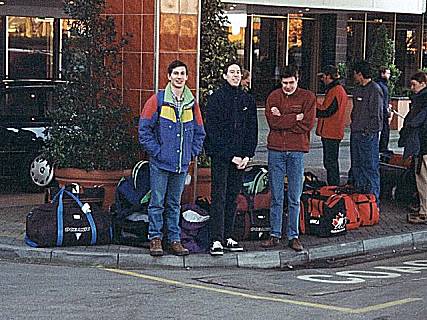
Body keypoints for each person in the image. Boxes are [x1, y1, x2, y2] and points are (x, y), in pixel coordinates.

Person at [139, 60, 206, 256]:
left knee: (174, 203)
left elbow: (200, 132)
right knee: (157, 203)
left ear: (187, 77)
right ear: (169, 76)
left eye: (182, 73)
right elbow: (144, 130)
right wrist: (157, 152)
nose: (179, 77)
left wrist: (191, 153)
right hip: (160, 163)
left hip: (181, 164)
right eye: (175, 73)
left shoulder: (192, 104)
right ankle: (155, 239)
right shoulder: (157, 100)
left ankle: (175, 240)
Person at [204, 61, 258, 256]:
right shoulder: (216, 99)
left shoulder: (247, 100)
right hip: (221, 157)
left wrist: (247, 155)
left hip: (241, 159)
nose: (235, 75)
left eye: (238, 72)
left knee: (233, 197)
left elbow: (252, 130)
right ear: (224, 75)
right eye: (231, 72)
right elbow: (212, 132)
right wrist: (230, 156)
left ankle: (228, 236)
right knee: (219, 197)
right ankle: (216, 239)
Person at [261, 65, 316, 252]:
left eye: (291, 82)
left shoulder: (308, 97)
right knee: (276, 195)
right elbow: (272, 122)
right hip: (276, 150)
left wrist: (283, 118)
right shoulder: (273, 97)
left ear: (297, 80)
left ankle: (293, 236)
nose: (288, 86)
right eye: (284, 83)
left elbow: (308, 124)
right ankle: (274, 234)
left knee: (294, 196)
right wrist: (295, 117)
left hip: (296, 150)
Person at [349, 60, 383, 202]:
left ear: (360, 74)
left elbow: (377, 115)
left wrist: (368, 131)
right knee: (357, 167)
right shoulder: (358, 89)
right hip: (356, 132)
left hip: (366, 135)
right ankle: (360, 200)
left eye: (355, 73)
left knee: (370, 167)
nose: (354, 76)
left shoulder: (374, 89)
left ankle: (373, 201)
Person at [399, 72, 427, 224]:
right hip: (422, 145)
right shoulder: (420, 99)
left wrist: (408, 126)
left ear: (423, 83)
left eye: (414, 85)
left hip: (423, 145)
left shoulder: (422, 100)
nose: (412, 88)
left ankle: (424, 211)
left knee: (423, 179)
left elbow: (416, 121)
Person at [316, 65, 348, 186]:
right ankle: (333, 186)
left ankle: (333, 187)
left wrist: (314, 105)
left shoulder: (336, 91)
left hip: (331, 131)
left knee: (330, 162)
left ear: (329, 76)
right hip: (332, 131)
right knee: (330, 161)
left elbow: (327, 111)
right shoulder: (336, 90)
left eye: (323, 76)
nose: (322, 79)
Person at [377, 66, 393, 153]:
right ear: (382, 74)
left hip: (384, 110)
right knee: (384, 130)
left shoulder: (384, 85)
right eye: (388, 73)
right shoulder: (380, 85)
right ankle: (382, 147)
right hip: (383, 111)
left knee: (385, 130)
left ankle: (383, 147)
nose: (389, 75)